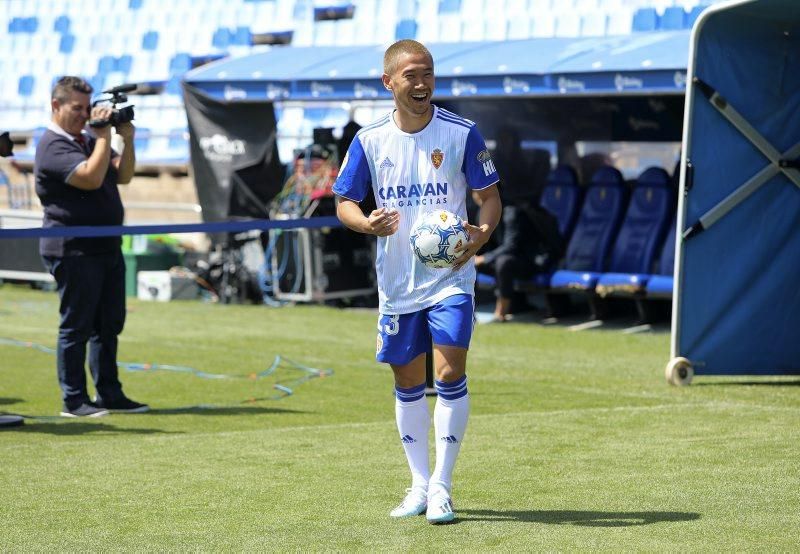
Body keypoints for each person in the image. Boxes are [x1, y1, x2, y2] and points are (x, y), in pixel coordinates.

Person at [333, 40, 501, 524]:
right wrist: (366, 224)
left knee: (448, 374)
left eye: (428, 73)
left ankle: (444, 487)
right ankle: (418, 485)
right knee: (407, 382)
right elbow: (344, 202)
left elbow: (489, 199)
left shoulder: (461, 133)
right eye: (411, 75)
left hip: (450, 276)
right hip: (397, 284)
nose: (422, 83)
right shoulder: (369, 140)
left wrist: (481, 235)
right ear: (389, 82)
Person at [34, 76, 149, 418]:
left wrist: (126, 141)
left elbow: (123, 175)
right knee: (77, 326)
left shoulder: (87, 140)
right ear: (56, 106)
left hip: (106, 245)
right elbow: (91, 178)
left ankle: (109, 393)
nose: (85, 115)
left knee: (108, 325)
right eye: (77, 108)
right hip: (73, 248)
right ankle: (74, 400)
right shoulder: (53, 146)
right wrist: (102, 137)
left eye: (88, 108)